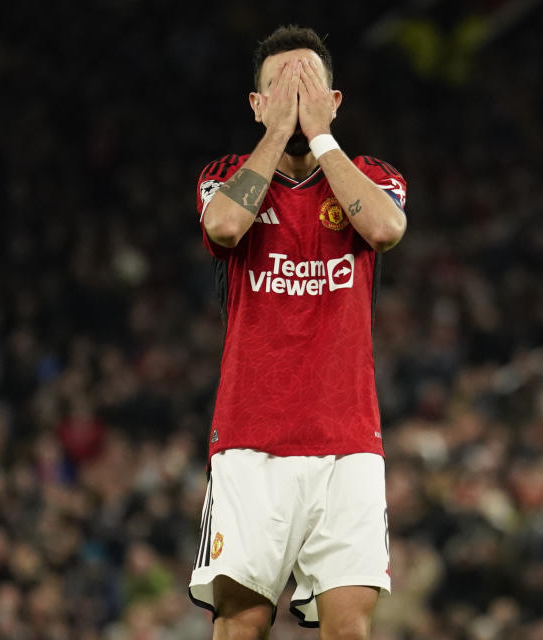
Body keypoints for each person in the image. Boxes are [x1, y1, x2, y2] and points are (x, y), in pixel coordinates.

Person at [188, 25, 407, 640]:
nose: (293, 93)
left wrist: (320, 136)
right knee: (242, 620)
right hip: (251, 439)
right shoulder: (225, 176)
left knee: (349, 626)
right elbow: (227, 226)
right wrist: (281, 131)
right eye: (278, 88)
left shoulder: (373, 176)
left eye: (307, 82)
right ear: (256, 106)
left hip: (348, 440)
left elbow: (387, 229)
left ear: (334, 99)